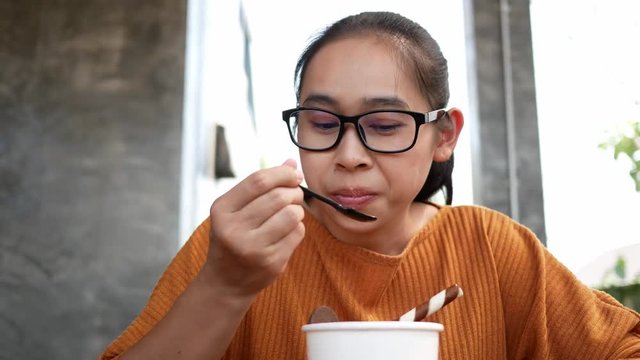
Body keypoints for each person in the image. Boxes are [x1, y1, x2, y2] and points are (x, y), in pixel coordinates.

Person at [100, 11, 640, 359]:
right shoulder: (238, 249)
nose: (349, 156)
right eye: (322, 123)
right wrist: (225, 286)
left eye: (384, 126)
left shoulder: (491, 249)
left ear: (443, 135)